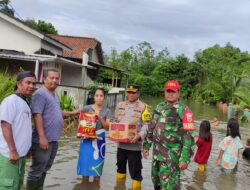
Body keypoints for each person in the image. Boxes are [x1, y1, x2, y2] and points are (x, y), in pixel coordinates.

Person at [26, 68, 79, 190]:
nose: (55, 81)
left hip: (53, 139)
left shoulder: (54, 95)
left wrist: (73, 113)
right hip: (43, 140)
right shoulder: (40, 94)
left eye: (57, 78)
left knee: (45, 168)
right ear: (44, 79)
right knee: (37, 170)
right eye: (52, 78)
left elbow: (57, 112)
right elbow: (37, 115)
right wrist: (42, 137)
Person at [143, 80, 194, 190]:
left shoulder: (184, 110)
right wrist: (146, 146)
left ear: (178, 93)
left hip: (172, 157)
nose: (170, 94)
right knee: (156, 182)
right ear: (165, 92)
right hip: (157, 155)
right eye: (168, 91)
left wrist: (184, 158)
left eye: (173, 91)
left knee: (170, 186)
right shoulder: (159, 107)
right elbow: (151, 127)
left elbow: (188, 136)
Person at [0, 71, 36, 190]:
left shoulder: (24, 101)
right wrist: (13, 150)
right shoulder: (11, 101)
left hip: (20, 155)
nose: (31, 86)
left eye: (33, 83)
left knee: (17, 185)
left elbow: (23, 128)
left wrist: (27, 148)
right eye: (28, 83)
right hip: (9, 155)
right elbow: (5, 125)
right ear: (19, 84)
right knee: (8, 186)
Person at [114, 84, 150, 189]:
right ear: (125, 93)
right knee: (120, 169)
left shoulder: (144, 107)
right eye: (128, 92)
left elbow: (147, 125)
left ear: (138, 93)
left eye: (133, 92)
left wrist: (139, 135)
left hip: (134, 147)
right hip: (120, 145)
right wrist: (113, 132)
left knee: (135, 173)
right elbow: (116, 121)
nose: (130, 94)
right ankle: (119, 187)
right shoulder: (120, 105)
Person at [77, 88, 111, 183]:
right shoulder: (87, 108)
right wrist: (83, 134)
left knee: (97, 173)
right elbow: (81, 124)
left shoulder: (107, 111)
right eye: (97, 96)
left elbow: (107, 127)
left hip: (99, 142)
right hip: (86, 141)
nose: (99, 98)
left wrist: (99, 116)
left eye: (101, 96)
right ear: (94, 97)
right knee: (85, 173)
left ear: (104, 98)